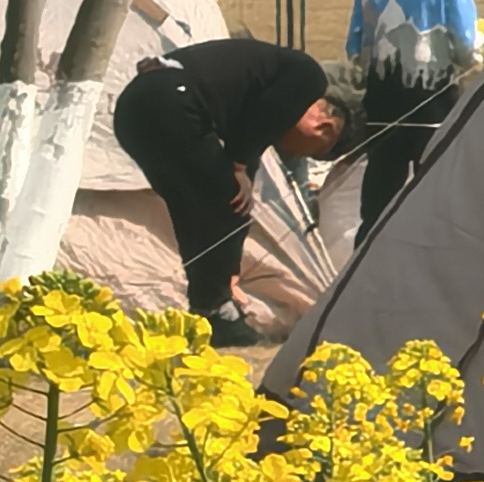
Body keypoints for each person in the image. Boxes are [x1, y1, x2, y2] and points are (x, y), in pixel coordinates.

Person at [110, 35, 351, 343]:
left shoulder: (256, 96)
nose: (293, 153)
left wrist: (229, 269)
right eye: (310, 151)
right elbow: (266, 116)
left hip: (133, 110)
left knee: (193, 210)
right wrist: (237, 164)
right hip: (172, 101)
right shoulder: (308, 77)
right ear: (323, 128)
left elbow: (249, 153)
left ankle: (212, 304)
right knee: (227, 200)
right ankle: (217, 309)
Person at [340, 0, 481, 235]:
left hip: (382, 101)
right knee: (433, 193)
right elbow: (464, 41)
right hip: (432, 101)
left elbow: (355, 45)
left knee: (378, 198)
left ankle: (368, 257)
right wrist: (471, 61)